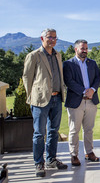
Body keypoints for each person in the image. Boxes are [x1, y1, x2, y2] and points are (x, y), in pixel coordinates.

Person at [22, 28, 67, 177]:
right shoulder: (34, 55)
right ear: (42, 39)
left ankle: (51, 160)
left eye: (55, 37)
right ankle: (38, 163)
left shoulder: (57, 55)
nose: (53, 40)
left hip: (57, 98)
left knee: (54, 131)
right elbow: (27, 78)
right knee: (39, 133)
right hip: (40, 100)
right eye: (49, 37)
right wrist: (32, 96)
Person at [63, 39, 100, 166]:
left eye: (86, 48)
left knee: (89, 129)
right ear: (76, 49)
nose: (84, 50)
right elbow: (69, 81)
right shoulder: (68, 64)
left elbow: (97, 78)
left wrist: (93, 90)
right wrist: (85, 92)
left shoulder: (92, 63)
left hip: (91, 101)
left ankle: (89, 152)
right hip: (76, 102)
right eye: (82, 48)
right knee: (74, 130)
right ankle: (73, 155)